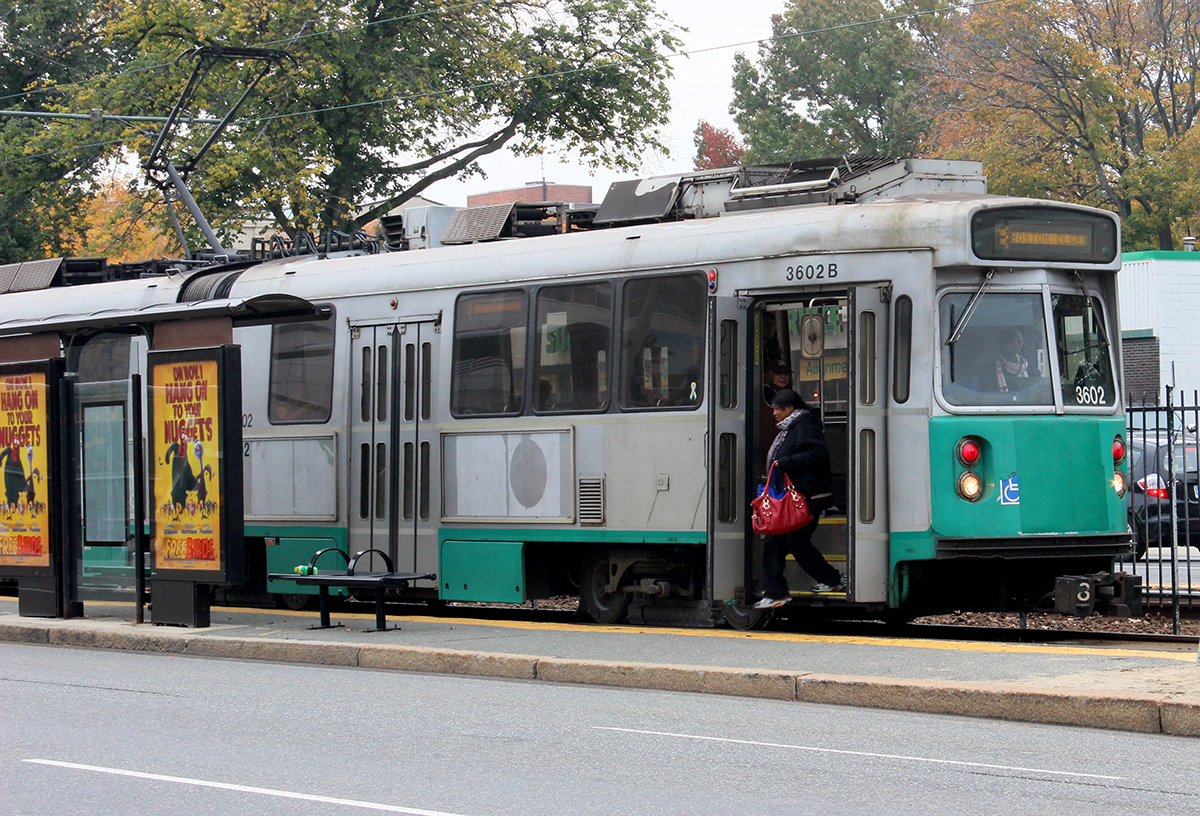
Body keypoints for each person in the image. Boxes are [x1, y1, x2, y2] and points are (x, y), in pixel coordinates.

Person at [754, 388, 842, 608]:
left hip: (807, 496)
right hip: (800, 497)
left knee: (794, 543)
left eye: (778, 409)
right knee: (780, 543)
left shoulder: (805, 426)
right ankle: (777, 591)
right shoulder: (792, 427)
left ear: (790, 409)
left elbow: (818, 454)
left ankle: (828, 580)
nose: (774, 413)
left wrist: (786, 462)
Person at [992, 328, 1029, 392]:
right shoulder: (989, 371)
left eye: (1011, 340)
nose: (1007, 344)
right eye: (1004, 341)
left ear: (1020, 344)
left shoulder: (1033, 372)